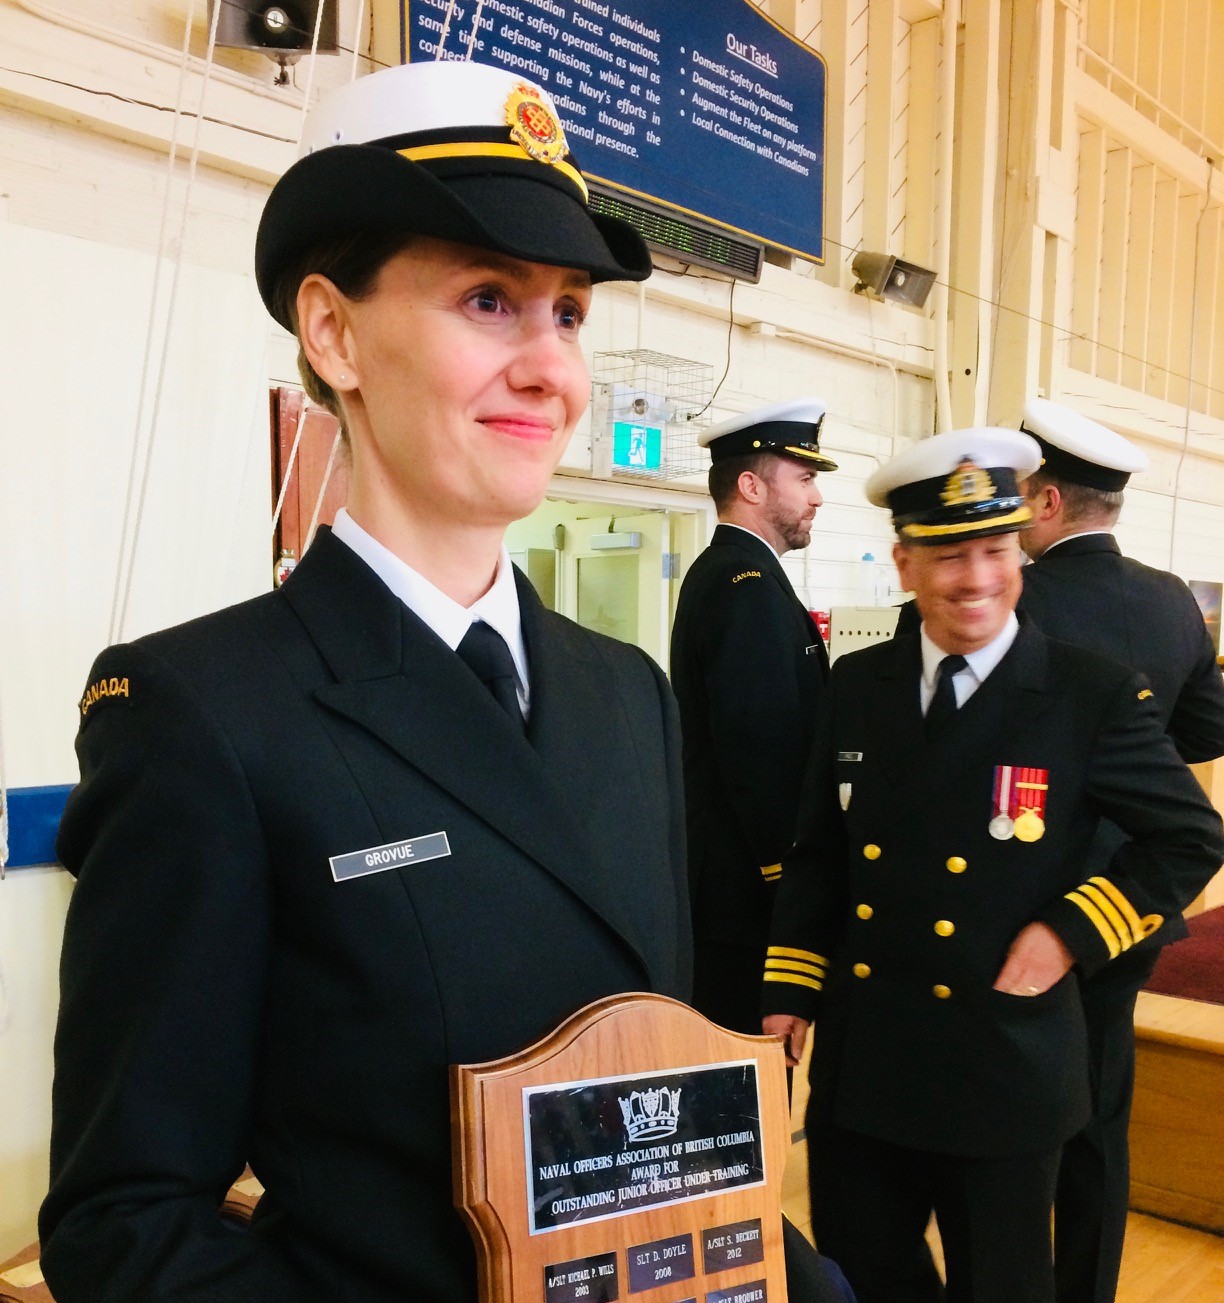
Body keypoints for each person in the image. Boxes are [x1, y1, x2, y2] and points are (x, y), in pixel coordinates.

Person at [39, 60, 688, 1303]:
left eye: (568, 313)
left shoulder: (629, 695)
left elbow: (659, 1119)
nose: (551, 368)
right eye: (489, 299)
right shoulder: (208, 715)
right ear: (333, 334)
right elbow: (126, 1224)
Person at [761, 428, 1224, 1303]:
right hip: (867, 1059)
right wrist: (791, 987)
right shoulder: (859, 683)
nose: (976, 577)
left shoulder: (1088, 692)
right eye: (948, 555)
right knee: (863, 1272)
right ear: (904, 563)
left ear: (1021, 552)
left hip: (1004, 1063)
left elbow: (1190, 836)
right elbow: (819, 851)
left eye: (996, 550)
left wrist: (1072, 931)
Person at [1017, 397, 1224, 1303]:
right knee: (1101, 1117)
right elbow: (1209, 727)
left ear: (1047, 499)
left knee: (1016, 1121)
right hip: (1132, 895)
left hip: (1026, 901)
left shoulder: (1017, 597)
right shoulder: (1172, 598)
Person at [669, 398, 834, 1034]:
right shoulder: (747, 587)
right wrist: (793, 885)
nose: (816, 497)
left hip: (731, 888)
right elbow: (763, 753)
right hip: (745, 897)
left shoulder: (734, 573)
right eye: (805, 478)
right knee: (751, 1073)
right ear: (751, 486)